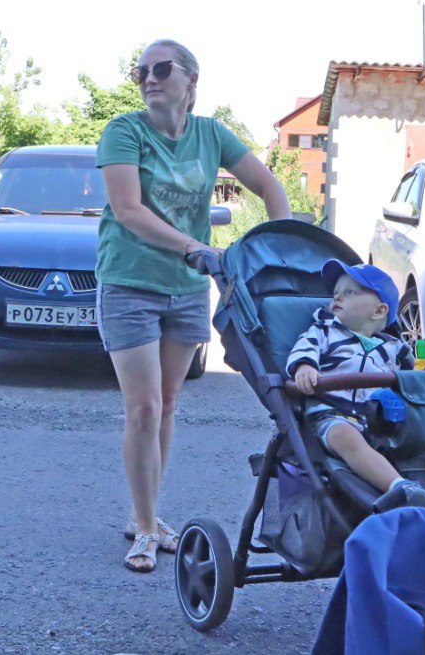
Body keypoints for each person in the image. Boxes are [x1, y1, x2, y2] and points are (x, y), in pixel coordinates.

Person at [97, 39, 291, 572]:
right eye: (140, 71)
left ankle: (151, 514)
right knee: (142, 407)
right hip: (130, 282)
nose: (148, 78)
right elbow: (129, 210)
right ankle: (143, 524)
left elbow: (271, 188)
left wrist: (278, 248)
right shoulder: (124, 131)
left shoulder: (211, 134)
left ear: (191, 80)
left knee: (167, 403)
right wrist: (195, 248)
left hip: (186, 290)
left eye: (162, 69)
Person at [287, 260, 425, 511]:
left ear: (379, 311)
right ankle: (400, 486)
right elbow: (303, 349)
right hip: (334, 415)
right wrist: (304, 367)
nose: (337, 297)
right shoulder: (323, 331)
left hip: (384, 419)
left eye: (350, 292)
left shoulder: (394, 348)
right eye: (335, 293)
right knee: (345, 436)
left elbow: (414, 381)